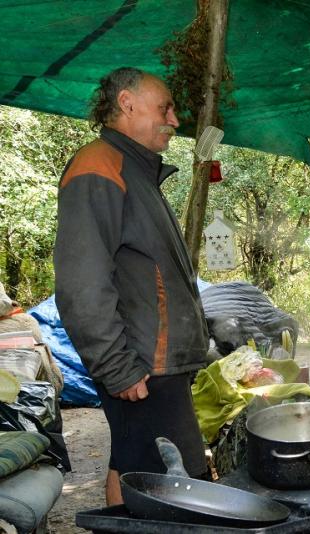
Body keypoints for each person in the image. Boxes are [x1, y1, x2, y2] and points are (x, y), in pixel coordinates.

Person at [54, 67, 210, 505]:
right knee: (174, 479)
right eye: (166, 108)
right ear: (127, 104)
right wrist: (115, 364)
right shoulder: (98, 166)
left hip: (151, 358)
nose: (175, 120)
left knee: (132, 465)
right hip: (141, 364)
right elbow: (81, 281)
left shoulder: (134, 169)